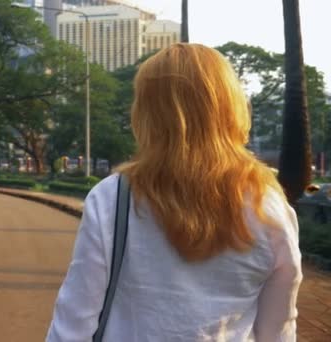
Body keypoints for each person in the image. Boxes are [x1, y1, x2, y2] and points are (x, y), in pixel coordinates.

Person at [46, 44, 302, 341]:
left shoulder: (112, 198)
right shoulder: (268, 207)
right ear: (231, 107)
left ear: (147, 113)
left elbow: (73, 324)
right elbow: (278, 330)